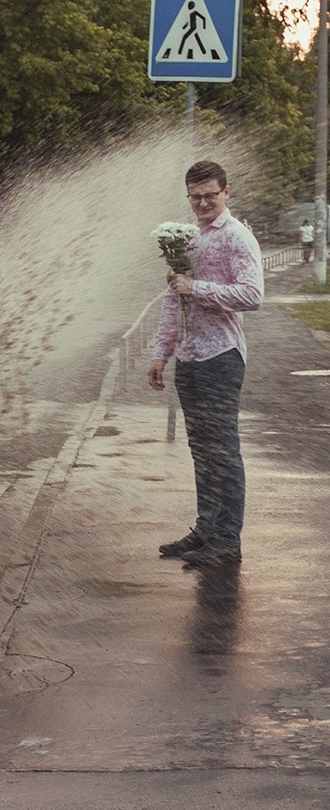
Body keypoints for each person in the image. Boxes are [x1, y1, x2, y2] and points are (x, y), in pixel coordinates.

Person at [147, 160, 264, 567]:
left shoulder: (237, 237)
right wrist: (161, 353)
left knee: (223, 451)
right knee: (201, 449)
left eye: (210, 196)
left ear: (226, 193)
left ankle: (227, 540)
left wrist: (198, 287)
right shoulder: (186, 239)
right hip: (190, 357)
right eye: (195, 197)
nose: (202, 203)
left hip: (221, 357)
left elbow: (252, 294)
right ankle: (206, 529)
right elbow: (172, 299)